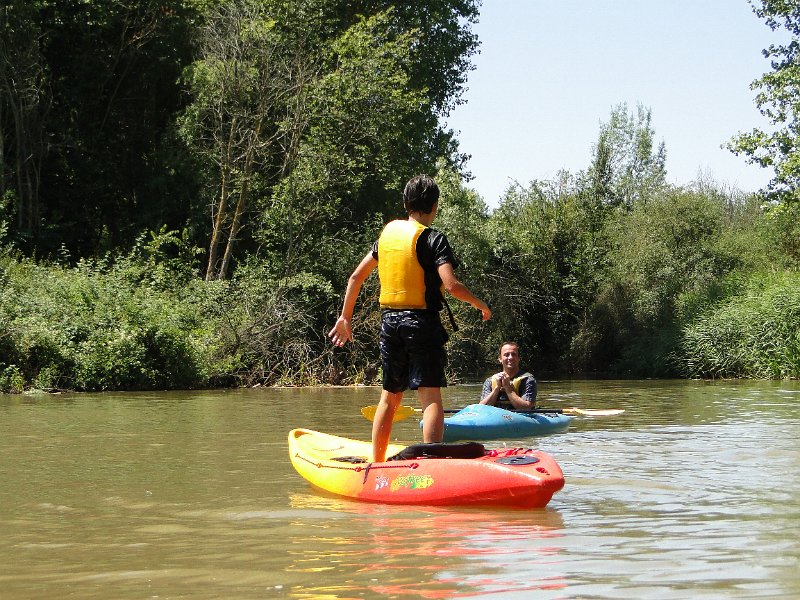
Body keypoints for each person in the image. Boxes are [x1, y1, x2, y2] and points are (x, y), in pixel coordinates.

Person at [328, 174, 492, 462]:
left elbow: (355, 277)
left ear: (406, 203)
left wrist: (345, 318)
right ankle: (432, 465)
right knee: (430, 399)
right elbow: (451, 286)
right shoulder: (433, 239)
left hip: (390, 324)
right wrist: (481, 304)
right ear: (435, 206)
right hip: (421, 324)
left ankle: (376, 464)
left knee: (390, 398)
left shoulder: (387, 236)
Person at [480, 342, 537, 410]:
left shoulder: (528, 379)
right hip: (496, 417)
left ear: (519, 358)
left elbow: (527, 408)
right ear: (500, 359)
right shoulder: (490, 381)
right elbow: (481, 409)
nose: (510, 357)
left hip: (519, 418)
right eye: (506, 355)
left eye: (514, 354)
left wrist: (508, 387)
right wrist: (497, 388)